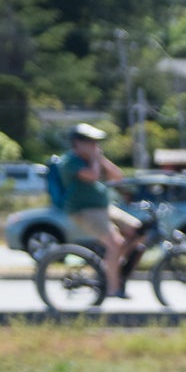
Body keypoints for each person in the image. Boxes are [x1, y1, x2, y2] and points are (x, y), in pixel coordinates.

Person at [52, 124, 138, 294]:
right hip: (83, 210)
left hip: (103, 207)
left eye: (96, 143)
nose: (94, 146)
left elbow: (117, 175)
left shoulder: (94, 159)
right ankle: (112, 288)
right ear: (77, 143)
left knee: (137, 230)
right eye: (90, 142)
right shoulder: (69, 162)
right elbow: (92, 176)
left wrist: (100, 158)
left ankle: (110, 264)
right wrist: (94, 159)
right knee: (115, 243)